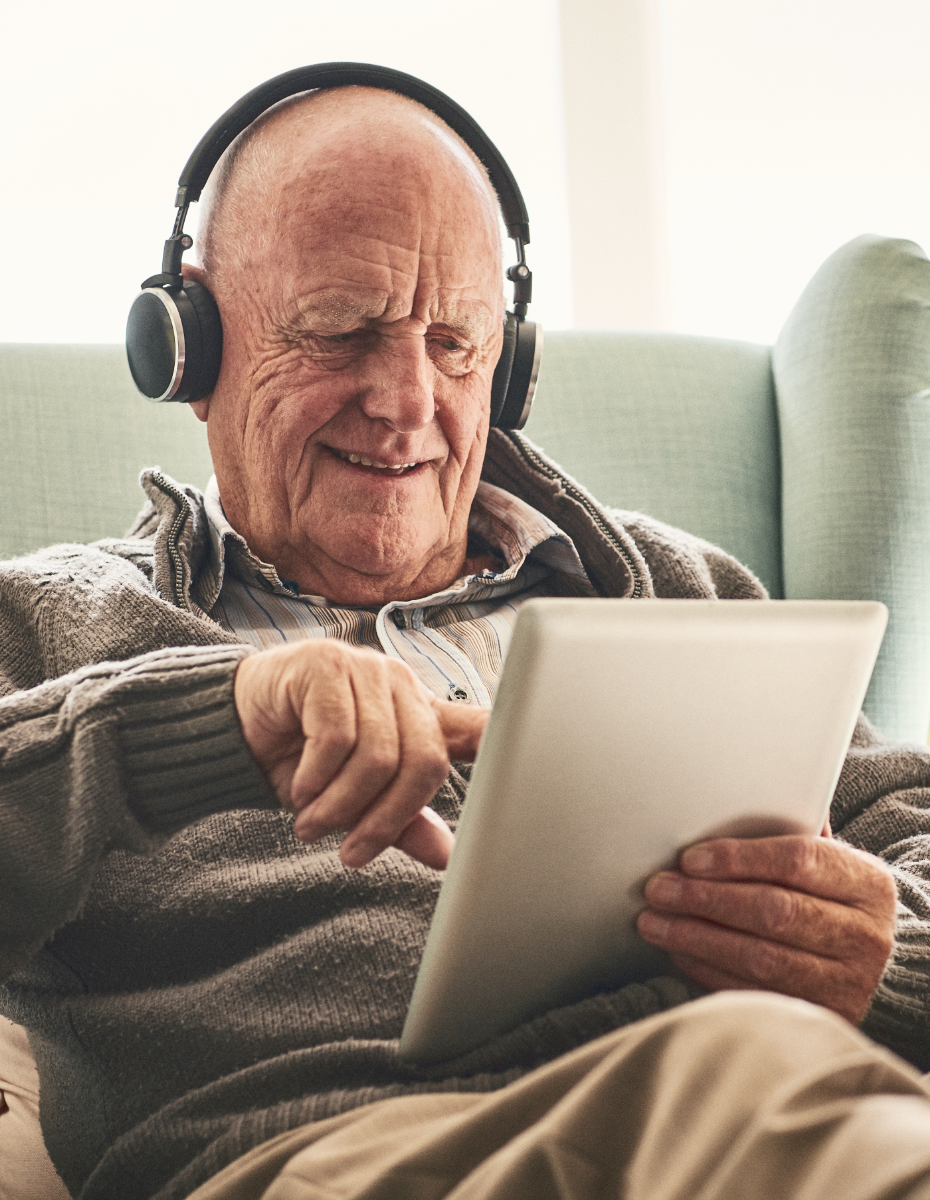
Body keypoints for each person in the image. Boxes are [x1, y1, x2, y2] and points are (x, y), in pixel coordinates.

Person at [2, 81, 930, 1200]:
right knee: (765, 1073)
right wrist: (213, 720)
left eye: (456, 344)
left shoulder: (678, 592)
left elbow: (907, 831)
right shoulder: (58, 623)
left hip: (731, 1118)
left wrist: (888, 955)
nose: (407, 399)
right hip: (333, 1152)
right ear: (187, 348)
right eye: (342, 332)